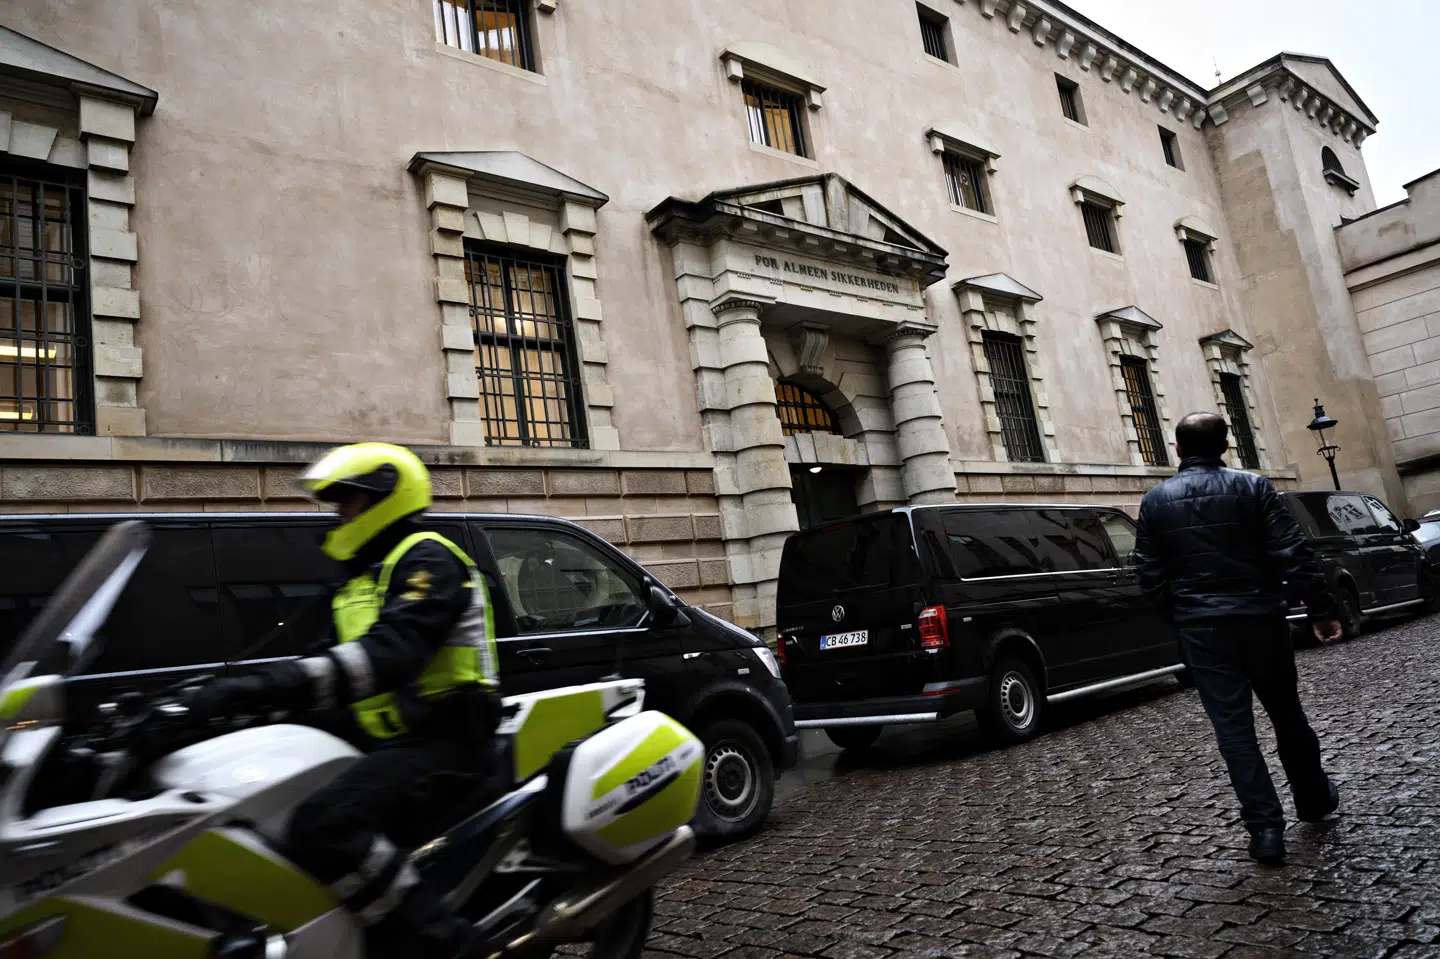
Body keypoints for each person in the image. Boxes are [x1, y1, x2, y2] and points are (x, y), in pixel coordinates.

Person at [191, 442, 500, 956]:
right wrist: (221, 702)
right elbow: (319, 663)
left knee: (325, 825)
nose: (338, 512)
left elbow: (391, 654)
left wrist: (251, 689)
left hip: (448, 738)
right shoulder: (361, 578)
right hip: (391, 737)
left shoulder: (427, 559)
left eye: (348, 500)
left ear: (386, 495)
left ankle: (445, 945)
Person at [1133, 412, 1344, 865]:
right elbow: (1292, 552)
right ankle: (1313, 799)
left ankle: (1265, 830)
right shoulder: (1253, 487)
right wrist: (1321, 610)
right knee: (1287, 715)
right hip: (1260, 619)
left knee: (1234, 732)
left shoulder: (1155, 502)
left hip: (1203, 629)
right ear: (1226, 447)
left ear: (1178, 449)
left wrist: (1180, 618)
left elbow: (1148, 574)